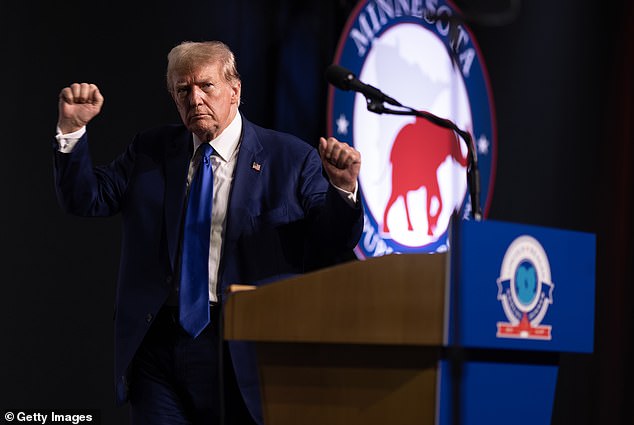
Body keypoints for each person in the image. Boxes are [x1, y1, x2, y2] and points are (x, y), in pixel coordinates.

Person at [53, 40, 363, 425]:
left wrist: (342, 189)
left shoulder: (290, 158)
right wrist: (71, 130)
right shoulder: (151, 150)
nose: (195, 98)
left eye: (206, 86)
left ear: (235, 90)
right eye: (183, 90)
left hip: (241, 344)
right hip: (158, 346)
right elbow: (86, 199)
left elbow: (332, 240)